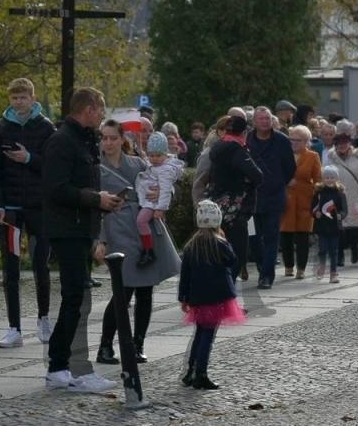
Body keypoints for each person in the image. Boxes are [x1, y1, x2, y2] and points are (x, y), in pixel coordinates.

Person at [41, 87, 124, 393]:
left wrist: (102, 201)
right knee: (75, 299)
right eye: (100, 109)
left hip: (79, 227)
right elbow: (55, 188)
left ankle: (61, 366)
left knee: (76, 299)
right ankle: (64, 366)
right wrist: (94, 199)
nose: (102, 116)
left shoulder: (81, 139)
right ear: (88, 109)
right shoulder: (62, 141)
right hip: (67, 229)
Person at [94, 121, 181, 365]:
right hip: (116, 226)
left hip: (144, 224)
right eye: (104, 138)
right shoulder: (95, 168)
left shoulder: (137, 162)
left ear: (122, 139)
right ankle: (105, 346)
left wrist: (163, 195)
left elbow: (164, 179)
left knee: (146, 289)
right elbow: (92, 206)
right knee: (124, 289)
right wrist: (100, 239)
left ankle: (137, 344)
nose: (108, 142)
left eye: (112, 138)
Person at [0, 77, 56, 349]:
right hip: (11, 208)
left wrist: (28, 158)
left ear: (32, 98)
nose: (19, 102)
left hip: (39, 206)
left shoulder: (45, 127)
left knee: (41, 265)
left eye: (23, 97)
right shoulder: (0, 128)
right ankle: (13, 327)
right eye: (14, 98)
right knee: (10, 268)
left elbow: (51, 165)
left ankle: (44, 318)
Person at [177, 200, 245, 390]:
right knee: (208, 335)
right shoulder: (220, 244)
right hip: (217, 296)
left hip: (197, 296)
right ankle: (201, 373)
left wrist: (183, 297)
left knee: (199, 332)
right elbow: (232, 260)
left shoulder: (192, 246)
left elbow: (185, 274)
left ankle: (190, 371)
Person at [205, 112, 263, 278]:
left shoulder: (217, 147)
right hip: (236, 208)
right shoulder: (237, 149)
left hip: (218, 205)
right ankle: (227, 288)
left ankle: (219, 283)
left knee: (219, 247)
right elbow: (257, 176)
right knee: (238, 251)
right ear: (244, 132)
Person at [245, 106, 297, 289]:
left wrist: (279, 181)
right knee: (252, 236)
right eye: (261, 119)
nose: (264, 122)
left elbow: (290, 167)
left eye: (267, 118)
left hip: (274, 197)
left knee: (271, 237)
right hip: (251, 199)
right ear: (254, 122)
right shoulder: (247, 140)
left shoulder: (282, 141)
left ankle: (267, 275)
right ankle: (262, 264)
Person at [133, 132, 185, 267]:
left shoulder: (165, 170)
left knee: (141, 221)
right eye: (151, 156)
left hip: (152, 203)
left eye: (158, 156)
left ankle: (149, 250)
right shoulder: (156, 165)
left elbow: (166, 190)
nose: (154, 159)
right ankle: (148, 249)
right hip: (149, 201)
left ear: (165, 154)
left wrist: (161, 208)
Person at [323, 126, 358, 265]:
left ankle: (355, 248)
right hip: (337, 198)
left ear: (349, 144)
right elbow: (325, 177)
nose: (342, 146)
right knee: (338, 229)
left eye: (345, 143)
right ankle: (339, 256)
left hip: (356, 198)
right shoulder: (330, 158)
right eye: (339, 144)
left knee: (355, 229)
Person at [282, 124, 322, 278]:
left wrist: (314, 192)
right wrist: (285, 181)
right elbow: (275, 174)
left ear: (306, 141)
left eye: (297, 140)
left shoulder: (312, 156)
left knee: (302, 236)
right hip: (286, 199)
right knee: (285, 235)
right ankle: (288, 266)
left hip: (305, 200)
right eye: (291, 139)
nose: (293, 143)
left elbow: (318, 179)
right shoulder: (283, 154)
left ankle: (301, 269)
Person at [312, 166, 348, 282]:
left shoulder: (340, 193)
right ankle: (322, 267)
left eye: (332, 177)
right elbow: (313, 207)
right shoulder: (319, 193)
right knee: (322, 249)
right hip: (322, 226)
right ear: (323, 179)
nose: (329, 179)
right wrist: (315, 213)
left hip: (335, 227)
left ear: (336, 178)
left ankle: (333, 273)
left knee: (334, 251)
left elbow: (344, 209)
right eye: (327, 177)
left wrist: (341, 215)